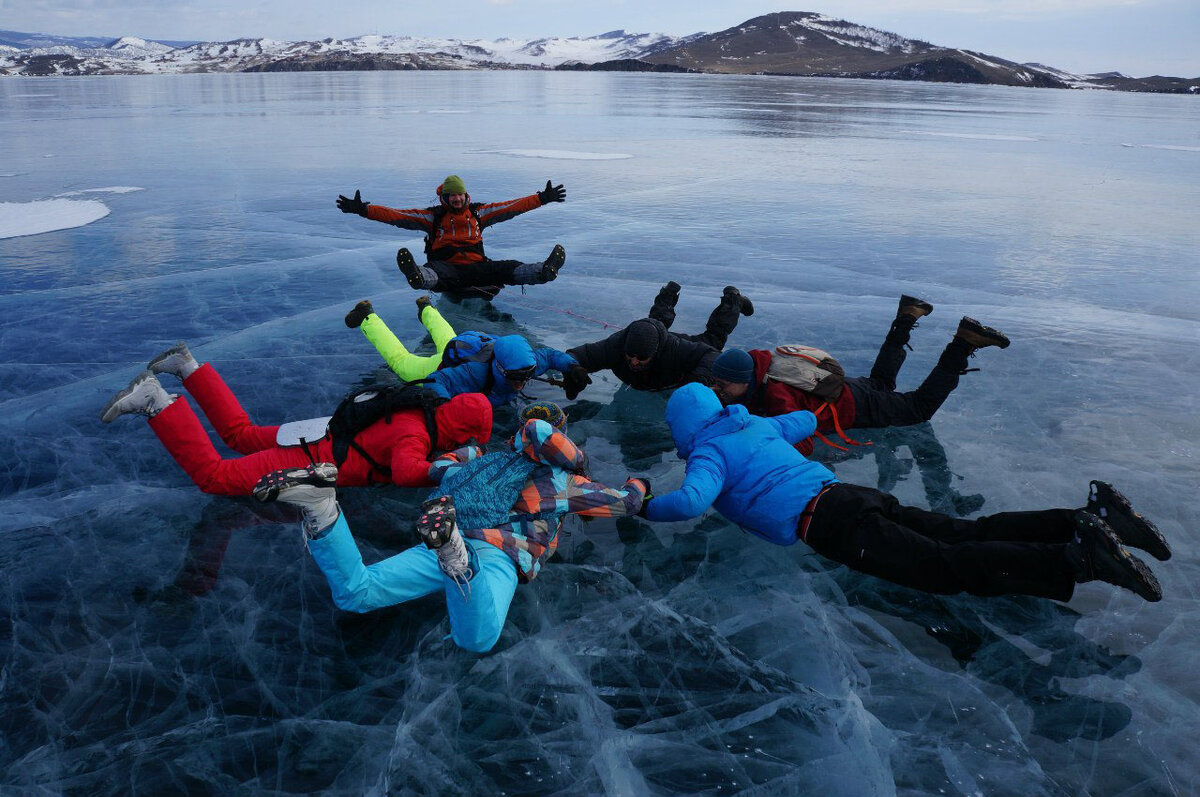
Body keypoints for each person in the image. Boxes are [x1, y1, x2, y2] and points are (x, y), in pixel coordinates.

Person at [639, 382, 1169, 604]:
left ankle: (1082, 559)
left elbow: (688, 501)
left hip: (831, 524)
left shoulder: (709, 453)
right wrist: (797, 412)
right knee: (967, 532)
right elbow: (800, 419)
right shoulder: (752, 425)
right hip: (850, 496)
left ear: (682, 427)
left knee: (946, 564)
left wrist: (642, 503)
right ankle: (1085, 517)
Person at [252, 403, 648, 653]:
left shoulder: (482, 460)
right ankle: (458, 563)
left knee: (358, 592)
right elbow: (625, 504)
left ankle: (321, 508)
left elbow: (440, 467)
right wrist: (640, 484)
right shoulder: (564, 483)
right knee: (477, 638)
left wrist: (471, 451)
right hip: (499, 551)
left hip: (449, 527)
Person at [99, 342, 492, 494]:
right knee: (214, 477)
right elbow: (408, 472)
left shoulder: (422, 405)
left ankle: (187, 367)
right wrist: (456, 464)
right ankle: (156, 401)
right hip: (311, 458)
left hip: (323, 429)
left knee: (241, 434)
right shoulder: (417, 439)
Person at [709, 295, 1009, 454]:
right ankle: (908, 314)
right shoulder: (759, 366)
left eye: (722, 385)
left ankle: (963, 342)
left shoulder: (776, 395)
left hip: (855, 406)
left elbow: (801, 441)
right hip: (847, 388)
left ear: (743, 380)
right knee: (881, 382)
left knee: (918, 408)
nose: (716, 390)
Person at [336, 175, 567, 297]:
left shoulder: (479, 213)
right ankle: (417, 276)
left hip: (478, 268)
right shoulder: (432, 217)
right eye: (451, 196)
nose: (456, 199)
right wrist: (363, 209)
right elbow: (395, 215)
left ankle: (543, 272)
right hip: (448, 270)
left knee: (507, 268)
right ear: (444, 198)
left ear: (466, 195)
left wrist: (542, 198)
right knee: (436, 273)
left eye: (460, 194)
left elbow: (513, 206)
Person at [564, 281, 755, 395]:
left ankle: (733, 301)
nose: (634, 362)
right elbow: (579, 355)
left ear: (655, 353)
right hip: (654, 340)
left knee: (714, 339)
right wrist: (573, 368)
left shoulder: (677, 350)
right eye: (630, 356)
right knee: (654, 323)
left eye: (641, 358)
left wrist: (696, 382)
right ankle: (668, 293)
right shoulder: (617, 345)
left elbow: (712, 356)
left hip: (672, 349)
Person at [428, 333, 589, 405]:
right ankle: (426, 308)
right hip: (449, 358)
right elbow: (434, 379)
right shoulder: (477, 373)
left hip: (475, 345)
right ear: (501, 369)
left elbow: (549, 356)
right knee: (405, 363)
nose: (521, 383)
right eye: (515, 377)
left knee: (442, 332)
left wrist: (573, 367)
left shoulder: (527, 365)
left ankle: (426, 306)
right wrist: (443, 404)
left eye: (526, 377)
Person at [344, 295, 457, 382]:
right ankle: (365, 316)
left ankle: (426, 309)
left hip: (467, 350)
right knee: (400, 360)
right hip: (447, 370)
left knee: (449, 341)